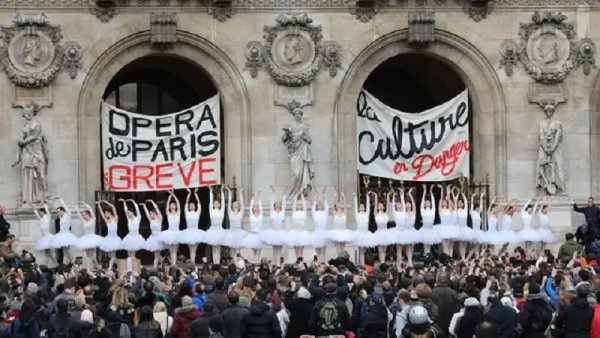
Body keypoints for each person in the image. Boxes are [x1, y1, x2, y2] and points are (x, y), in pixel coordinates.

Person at [260, 186, 288, 264]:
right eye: (277, 204)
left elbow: (284, 203)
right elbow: (271, 202)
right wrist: (273, 192)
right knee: (274, 250)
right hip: (273, 233)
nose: (278, 205)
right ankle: (275, 264)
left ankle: (278, 264)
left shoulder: (282, 213)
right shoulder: (272, 212)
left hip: (280, 233)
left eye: (279, 204)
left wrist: (284, 193)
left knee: (279, 250)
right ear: (275, 206)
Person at [326, 187, 354, 255]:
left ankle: (342, 259)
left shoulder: (344, 212)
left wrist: (343, 196)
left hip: (343, 232)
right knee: (338, 248)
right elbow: (332, 205)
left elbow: (345, 204)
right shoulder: (334, 212)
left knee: (342, 248)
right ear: (336, 206)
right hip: (336, 232)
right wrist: (335, 195)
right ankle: (339, 259)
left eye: (340, 204)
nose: (339, 204)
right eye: (338, 204)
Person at [120, 198, 146, 271]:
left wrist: (133, 202)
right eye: (128, 213)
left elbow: (137, 209)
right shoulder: (129, 219)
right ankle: (130, 268)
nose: (128, 214)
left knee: (133, 255)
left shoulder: (138, 218)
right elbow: (125, 211)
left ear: (132, 212)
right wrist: (124, 202)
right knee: (129, 255)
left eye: (129, 213)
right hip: (130, 236)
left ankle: (133, 269)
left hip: (136, 237)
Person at [179, 188, 204, 264]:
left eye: (193, 205)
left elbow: (199, 204)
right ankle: (192, 263)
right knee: (191, 249)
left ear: (195, 206)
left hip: (196, 232)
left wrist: (195, 194)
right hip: (189, 232)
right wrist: (189, 194)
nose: (192, 205)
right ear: (189, 207)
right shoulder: (187, 213)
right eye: (191, 205)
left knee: (194, 249)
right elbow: (186, 203)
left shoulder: (197, 213)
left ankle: (193, 262)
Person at [159, 190, 184, 266]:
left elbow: (178, 203)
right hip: (170, 232)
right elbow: (167, 205)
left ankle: (174, 264)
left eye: (174, 205)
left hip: (176, 232)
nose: (172, 206)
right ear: (170, 207)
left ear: (175, 206)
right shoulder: (168, 213)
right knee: (171, 250)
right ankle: (172, 263)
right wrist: (170, 196)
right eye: (171, 205)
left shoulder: (178, 213)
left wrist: (174, 196)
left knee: (175, 250)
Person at [74, 202, 101, 271]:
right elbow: (78, 214)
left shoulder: (93, 220)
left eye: (84, 215)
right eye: (82, 215)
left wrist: (86, 205)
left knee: (91, 255)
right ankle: (98, 267)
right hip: (86, 238)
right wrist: (76, 208)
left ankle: (88, 269)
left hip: (92, 238)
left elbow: (91, 211)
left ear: (88, 215)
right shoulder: (83, 221)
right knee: (89, 255)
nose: (83, 216)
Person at [96, 200, 122, 270]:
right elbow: (101, 214)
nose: (105, 214)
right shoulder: (107, 220)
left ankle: (109, 268)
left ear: (109, 213)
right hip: (109, 238)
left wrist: (105, 202)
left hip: (115, 238)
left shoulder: (115, 218)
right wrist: (99, 206)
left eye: (106, 213)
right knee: (111, 255)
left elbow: (113, 207)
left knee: (113, 255)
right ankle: (121, 265)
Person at [352, 192, 376, 265]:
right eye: (360, 206)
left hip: (366, 233)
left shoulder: (366, 214)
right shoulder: (357, 214)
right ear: (359, 208)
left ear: (365, 208)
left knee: (364, 250)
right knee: (361, 251)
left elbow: (368, 206)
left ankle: (364, 263)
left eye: (363, 206)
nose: (362, 207)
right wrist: (355, 197)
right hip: (359, 233)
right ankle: (362, 264)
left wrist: (367, 196)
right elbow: (355, 206)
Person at [30, 201, 57, 266]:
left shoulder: (47, 217)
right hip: (43, 237)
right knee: (48, 252)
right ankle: (54, 264)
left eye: (40, 213)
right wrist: (32, 206)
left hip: (47, 237)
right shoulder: (41, 218)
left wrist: (45, 205)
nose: (39, 214)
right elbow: (36, 213)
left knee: (48, 252)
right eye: (39, 213)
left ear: (43, 212)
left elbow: (48, 212)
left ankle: (47, 264)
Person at [52, 197, 78, 264]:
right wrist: (54, 201)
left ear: (63, 211)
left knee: (68, 252)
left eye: (58, 211)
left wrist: (60, 199)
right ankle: (66, 266)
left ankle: (75, 265)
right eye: (57, 212)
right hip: (61, 235)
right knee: (65, 253)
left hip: (66, 235)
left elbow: (65, 207)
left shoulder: (67, 215)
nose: (57, 213)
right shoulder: (60, 218)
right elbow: (56, 208)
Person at [436, 185, 459, 257]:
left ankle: (450, 258)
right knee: (444, 245)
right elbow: (440, 200)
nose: (444, 202)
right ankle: (446, 259)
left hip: (449, 228)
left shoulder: (450, 210)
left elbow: (450, 202)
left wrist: (448, 192)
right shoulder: (441, 210)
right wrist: (442, 190)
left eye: (445, 202)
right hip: (443, 228)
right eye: (443, 202)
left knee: (449, 245)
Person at [205, 186, 227, 264]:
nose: (216, 203)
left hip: (219, 230)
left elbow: (224, 204)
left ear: (219, 204)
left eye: (217, 203)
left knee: (218, 248)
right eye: (215, 203)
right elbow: (210, 202)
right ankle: (215, 263)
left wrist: (222, 192)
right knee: (213, 248)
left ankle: (217, 263)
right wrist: (210, 192)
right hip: (213, 230)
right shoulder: (212, 211)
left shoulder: (221, 211)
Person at [140, 199, 165, 267]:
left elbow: (158, 210)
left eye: (151, 214)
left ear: (154, 213)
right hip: (153, 238)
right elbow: (147, 214)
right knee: (157, 254)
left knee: (156, 255)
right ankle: (164, 264)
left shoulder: (159, 219)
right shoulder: (151, 220)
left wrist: (152, 202)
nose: (150, 215)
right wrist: (144, 206)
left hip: (159, 237)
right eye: (150, 214)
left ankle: (154, 268)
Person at [225, 187, 247, 259]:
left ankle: (238, 262)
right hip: (232, 233)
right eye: (234, 203)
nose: (235, 204)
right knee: (233, 250)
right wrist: (230, 193)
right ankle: (234, 261)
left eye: (237, 203)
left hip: (239, 232)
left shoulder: (241, 213)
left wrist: (240, 193)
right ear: (232, 205)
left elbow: (242, 204)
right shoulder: (230, 212)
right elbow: (229, 202)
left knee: (238, 250)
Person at [311, 187, 332, 262]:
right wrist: (316, 195)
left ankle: (323, 263)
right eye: (318, 203)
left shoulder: (325, 213)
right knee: (318, 252)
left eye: (321, 203)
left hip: (323, 232)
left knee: (323, 252)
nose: (319, 204)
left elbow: (326, 205)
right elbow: (313, 205)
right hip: (316, 233)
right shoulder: (314, 213)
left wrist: (324, 194)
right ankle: (319, 264)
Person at [420, 184, 442, 254]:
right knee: (425, 246)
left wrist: (431, 191)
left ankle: (428, 259)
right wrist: (424, 191)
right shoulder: (423, 210)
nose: (427, 203)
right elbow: (422, 202)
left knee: (428, 246)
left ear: (430, 204)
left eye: (428, 202)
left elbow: (434, 202)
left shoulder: (432, 210)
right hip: (424, 229)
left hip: (430, 229)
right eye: (426, 202)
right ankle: (425, 258)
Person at [242, 191, 264, 263]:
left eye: (257, 207)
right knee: (254, 250)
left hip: (259, 234)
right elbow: (250, 206)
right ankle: (256, 262)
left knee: (258, 251)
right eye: (255, 207)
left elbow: (261, 206)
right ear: (253, 209)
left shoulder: (261, 215)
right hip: (253, 234)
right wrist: (254, 198)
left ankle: (256, 262)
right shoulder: (251, 215)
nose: (256, 207)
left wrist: (258, 197)